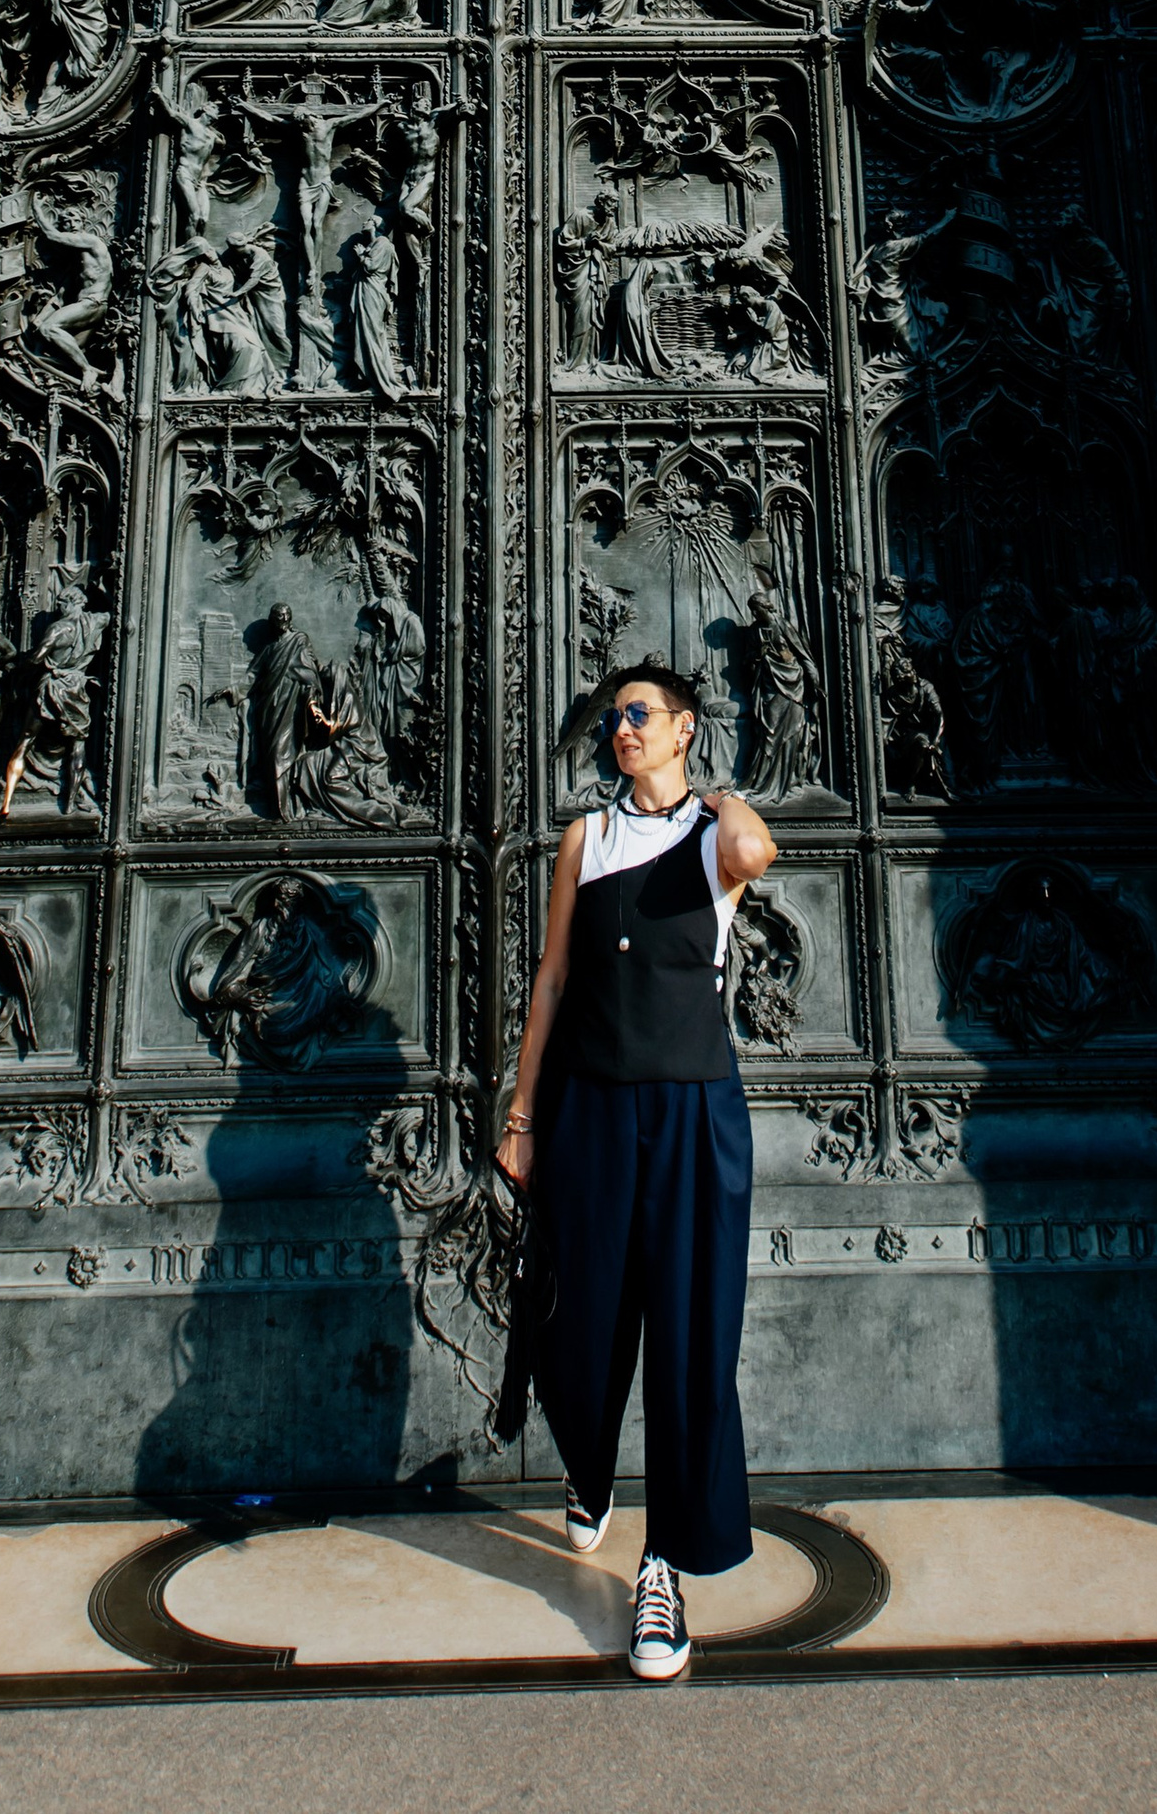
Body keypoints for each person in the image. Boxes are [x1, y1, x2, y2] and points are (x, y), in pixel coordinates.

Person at [495, 661, 778, 1683]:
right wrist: (523, 1114)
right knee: (584, 1318)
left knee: (691, 1332)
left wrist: (718, 793)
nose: (620, 729)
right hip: (596, 1106)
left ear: (682, 729)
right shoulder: (590, 836)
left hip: (695, 1107)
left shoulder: (712, 839)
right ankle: (587, 1467)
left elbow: (756, 848)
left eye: (639, 715)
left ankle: (664, 1564)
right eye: (611, 716)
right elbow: (554, 975)